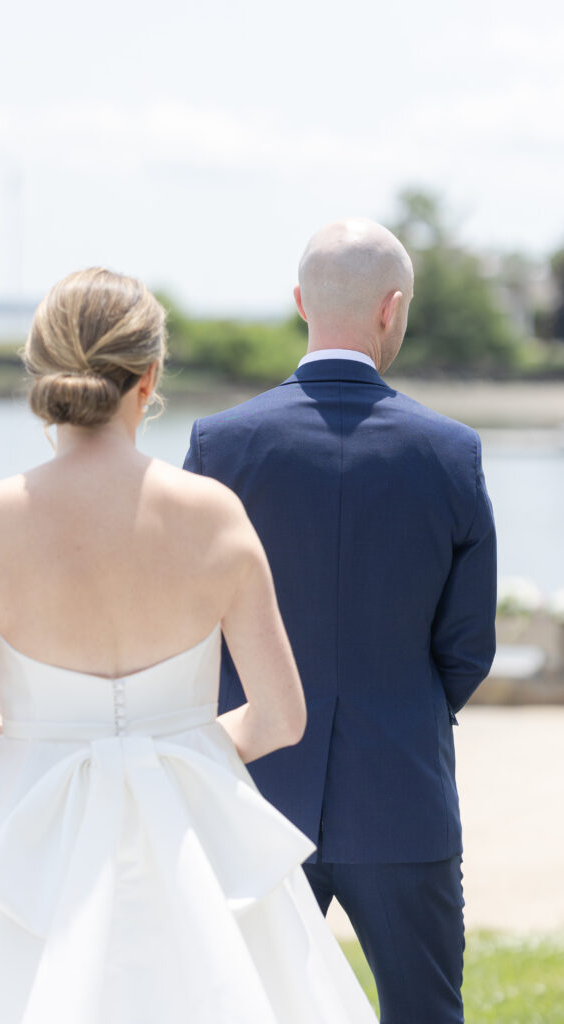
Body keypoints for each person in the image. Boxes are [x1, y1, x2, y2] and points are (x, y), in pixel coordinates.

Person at [0, 267, 377, 1023]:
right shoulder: (213, 514)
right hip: (191, 832)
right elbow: (280, 718)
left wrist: (23, 727)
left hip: (25, 834)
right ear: (150, 376)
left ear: (41, 372)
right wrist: (174, 746)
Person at [184, 219, 497, 1024]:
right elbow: (467, 646)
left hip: (252, 792)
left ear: (298, 303)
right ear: (392, 309)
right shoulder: (450, 452)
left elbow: (186, 621)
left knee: (242, 1009)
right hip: (403, 793)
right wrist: (405, 709)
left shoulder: (220, 445)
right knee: (425, 1013)